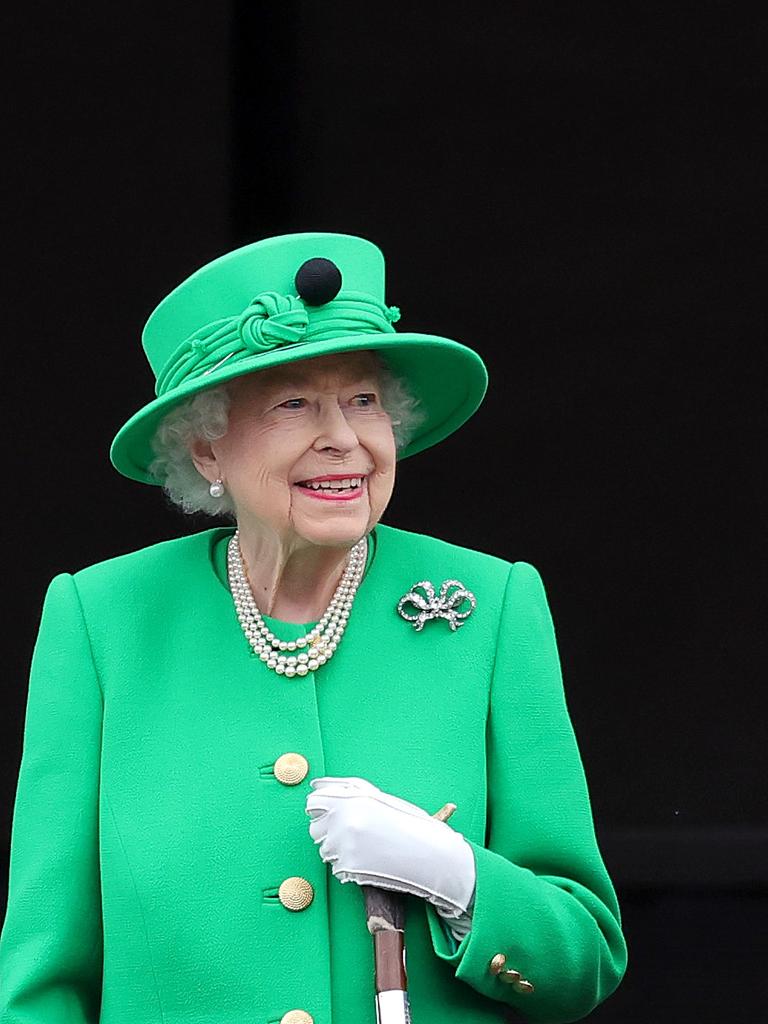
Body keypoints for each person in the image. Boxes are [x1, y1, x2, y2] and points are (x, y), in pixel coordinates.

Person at [0, 232, 628, 1024]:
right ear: (205, 450)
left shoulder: (492, 605)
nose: (345, 438)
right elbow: (44, 976)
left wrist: (459, 879)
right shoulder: (102, 621)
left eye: (363, 400)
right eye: (295, 403)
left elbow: (585, 956)